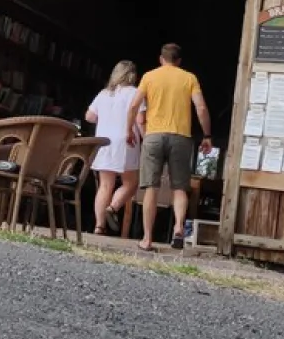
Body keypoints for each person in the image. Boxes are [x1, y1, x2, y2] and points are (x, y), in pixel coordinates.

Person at [124, 43, 212, 251]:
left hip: (153, 136)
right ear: (179, 61)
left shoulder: (149, 76)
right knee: (179, 187)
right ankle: (179, 228)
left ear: (161, 59)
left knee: (151, 187)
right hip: (181, 137)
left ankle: (147, 239)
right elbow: (200, 107)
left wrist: (129, 130)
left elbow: (135, 106)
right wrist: (207, 135)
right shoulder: (189, 78)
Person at [84, 61, 142, 236]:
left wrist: (106, 117)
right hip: (126, 141)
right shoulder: (136, 93)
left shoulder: (104, 94)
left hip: (104, 142)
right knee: (131, 183)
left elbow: (89, 116)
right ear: (132, 75)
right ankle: (113, 207)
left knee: (105, 185)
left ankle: (99, 226)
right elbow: (140, 120)